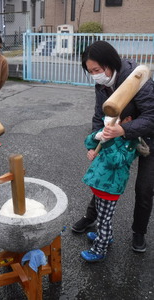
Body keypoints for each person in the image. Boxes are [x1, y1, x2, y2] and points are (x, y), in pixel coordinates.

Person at [72, 40, 154, 253]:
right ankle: (90, 218)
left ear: (110, 63)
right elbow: (99, 115)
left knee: (145, 188)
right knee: (103, 174)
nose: (95, 75)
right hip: (117, 135)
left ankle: (139, 231)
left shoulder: (138, 78)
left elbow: (151, 116)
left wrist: (124, 130)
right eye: (90, 71)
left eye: (97, 70)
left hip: (147, 137)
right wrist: (96, 139)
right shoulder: (101, 84)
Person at [80, 105, 143, 262]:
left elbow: (117, 161)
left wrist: (107, 141)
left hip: (110, 187)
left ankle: (99, 249)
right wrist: (96, 138)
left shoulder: (131, 141)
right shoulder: (112, 131)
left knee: (104, 219)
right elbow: (89, 142)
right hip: (101, 183)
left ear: (128, 120)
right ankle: (105, 236)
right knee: (103, 216)